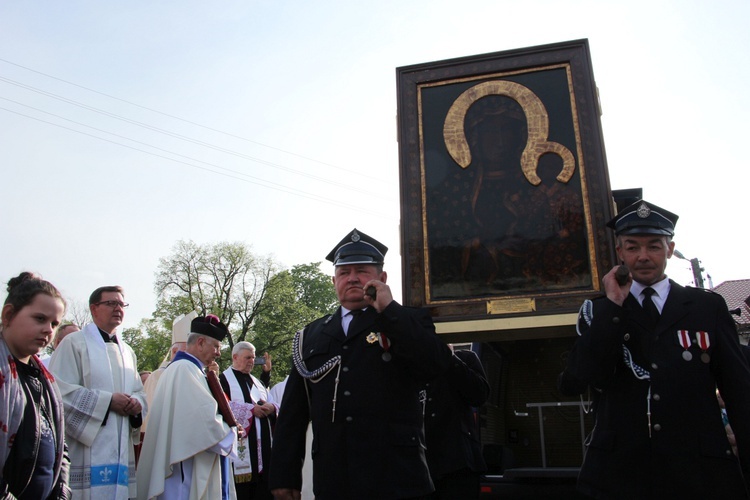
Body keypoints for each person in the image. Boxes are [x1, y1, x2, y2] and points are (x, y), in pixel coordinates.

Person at [559, 200, 750, 498]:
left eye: (654, 247)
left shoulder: (706, 307)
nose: (643, 257)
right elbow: (576, 379)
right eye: (633, 247)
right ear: (619, 252)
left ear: (670, 250)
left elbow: (739, 391)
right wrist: (613, 307)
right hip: (620, 474)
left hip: (697, 472)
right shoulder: (600, 310)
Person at [269, 228, 453, 499]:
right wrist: (284, 477)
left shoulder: (408, 321)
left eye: (362, 271)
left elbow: (436, 365)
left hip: (396, 478)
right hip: (334, 478)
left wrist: (389, 311)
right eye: (344, 273)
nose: (352, 278)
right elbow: (293, 415)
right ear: (334, 281)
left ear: (382, 277)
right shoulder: (310, 336)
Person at [49, 285, 146, 499]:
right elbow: (58, 393)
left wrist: (137, 405)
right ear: (94, 309)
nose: (118, 308)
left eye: (122, 304)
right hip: (85, 451)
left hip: (120, 445)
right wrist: (107, 402)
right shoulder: (73, 344)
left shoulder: (128, 352)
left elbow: (139, 391)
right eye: (111, 303)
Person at [136, 314, 239, 500]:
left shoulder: (188, 369)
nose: (218, 353)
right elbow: (203, 420)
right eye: (216, 346)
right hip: (185, 467)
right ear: (200, 342)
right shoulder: (185, 369)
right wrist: (231, 432)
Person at [0, 272, 71, 499]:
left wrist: (61, 492)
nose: (49, 330)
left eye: (54, 323)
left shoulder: (43, 379)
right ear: (8, 314)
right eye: (40, 319)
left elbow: (60, 446)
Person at [423, 345, 490, 499]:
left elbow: (479, 395)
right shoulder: (413, 366)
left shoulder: (465, 358)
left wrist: (450, 358)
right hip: (423, 466)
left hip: (458, 465)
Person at [220, 341, 277, 499]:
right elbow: (221, 406)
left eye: (253, 357)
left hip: (263, 450)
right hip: (241, 452)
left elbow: (271, 401)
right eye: (248, 357)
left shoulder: (257, 382)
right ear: (235, 357)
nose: (252, 361)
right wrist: (251, 410)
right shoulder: (223, 380)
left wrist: (272, 408)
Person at [141, 311, 194, 435]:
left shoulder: (195, 374)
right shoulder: (157, 376)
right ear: (174, 351)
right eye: (187, 351)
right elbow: (150, 415)